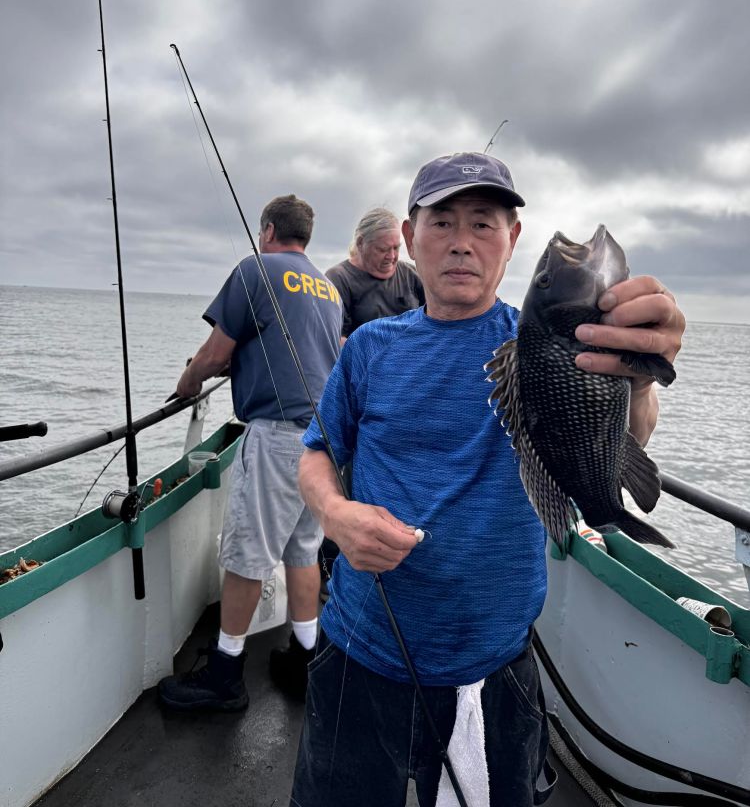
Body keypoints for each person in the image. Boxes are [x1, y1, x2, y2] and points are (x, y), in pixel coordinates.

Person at [291, 152, 686, 806]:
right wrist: (337, 516)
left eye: (483, 223)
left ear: (513, 241)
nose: (462, 243)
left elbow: (629, 431)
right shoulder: (368, 348)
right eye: (442, 222)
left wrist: (639, 375)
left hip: (495, 669)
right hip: (360, 651)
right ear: (411, 238)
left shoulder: (547, 342)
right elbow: (314, 457)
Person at [158, 194, 342, 711]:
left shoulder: (254, 270)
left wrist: (187, 382)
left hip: (278, 434)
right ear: (305, 235)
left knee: (247, 553)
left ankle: (224, 675)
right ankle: (306, 658)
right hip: (322, 436)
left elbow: (217, 353)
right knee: (304, 549)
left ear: (267, 230)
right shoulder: (327, 288)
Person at [326, 207, 424, 340]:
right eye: (383, 249)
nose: (391, 256)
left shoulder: (411, 274)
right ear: (361, 243)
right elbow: (335, 339)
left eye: (396, 248)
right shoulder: (338, 279)